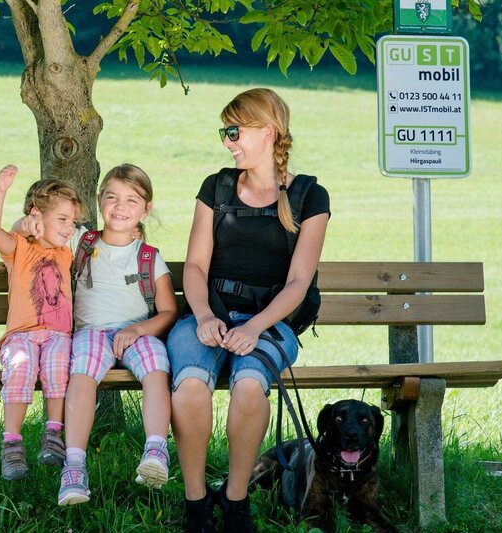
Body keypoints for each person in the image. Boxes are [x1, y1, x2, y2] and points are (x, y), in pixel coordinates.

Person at [166, 88, 330, 532]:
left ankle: (236, 499)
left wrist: (256, 327)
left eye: (234, 131)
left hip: (269, 321)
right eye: (226, 132)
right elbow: (196, 264)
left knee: (250, 387)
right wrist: (202, 316)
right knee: (190, 389)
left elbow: (298, 282)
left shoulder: (308, 197)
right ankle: (196, 501)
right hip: (207, 313)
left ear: (267, 131)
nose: (228, 141)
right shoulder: (216, 188)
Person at [15, 164, 178, 506]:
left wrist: (137, 330)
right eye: (112, 197)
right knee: (82, 372)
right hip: (91, 332)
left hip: (138, 332)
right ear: (99, 200)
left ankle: (156, 451)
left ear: (146, 209)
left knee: (155, 367)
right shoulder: (80, 240)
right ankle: (74, 465)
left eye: (132, 200)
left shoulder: (148, 257)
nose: (120, 207)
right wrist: (24, 223)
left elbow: (167, 312)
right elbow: (32, 235)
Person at [0, 164, 85, 481]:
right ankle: (12, 443)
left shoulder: (66, 252)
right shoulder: (20, 248)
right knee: (21, 366)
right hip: (21, 336)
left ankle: (53, 435)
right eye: (63, 219)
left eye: (73, 220)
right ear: (37, 216)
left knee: (57, 364)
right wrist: (1, 192)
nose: (69, 227)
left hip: (57, 335)